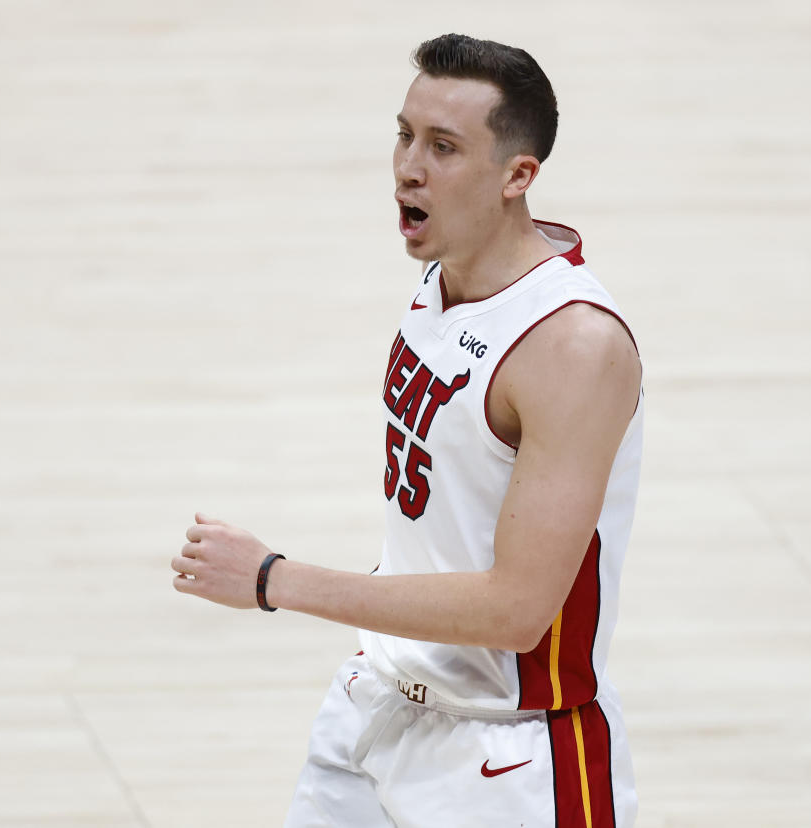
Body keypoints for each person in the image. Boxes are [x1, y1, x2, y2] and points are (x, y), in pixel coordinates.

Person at [172, 33, 642, 828]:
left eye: (444, 147)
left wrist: (270, 578)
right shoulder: (442, 279)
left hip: (511, 762)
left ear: (516, 176)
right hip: (374, 708)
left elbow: (517, 610)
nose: (407, 167)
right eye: (404, 134)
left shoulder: (573, 347)